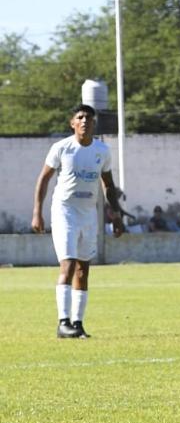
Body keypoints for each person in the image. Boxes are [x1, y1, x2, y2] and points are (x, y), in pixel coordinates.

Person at [31, 104, 126, 339]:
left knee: (83, 269)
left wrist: (116, 214)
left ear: (94, 124)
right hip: (65, 211)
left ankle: (77, 324)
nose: (85, 121)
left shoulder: (102, 151)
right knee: (68, 264)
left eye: (89, 118)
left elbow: (108, 184)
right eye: (80, 117)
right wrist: (37, 212)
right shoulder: (62, 148)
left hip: (88, 213)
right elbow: (43, 180)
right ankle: (63, 323)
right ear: (72, 123)